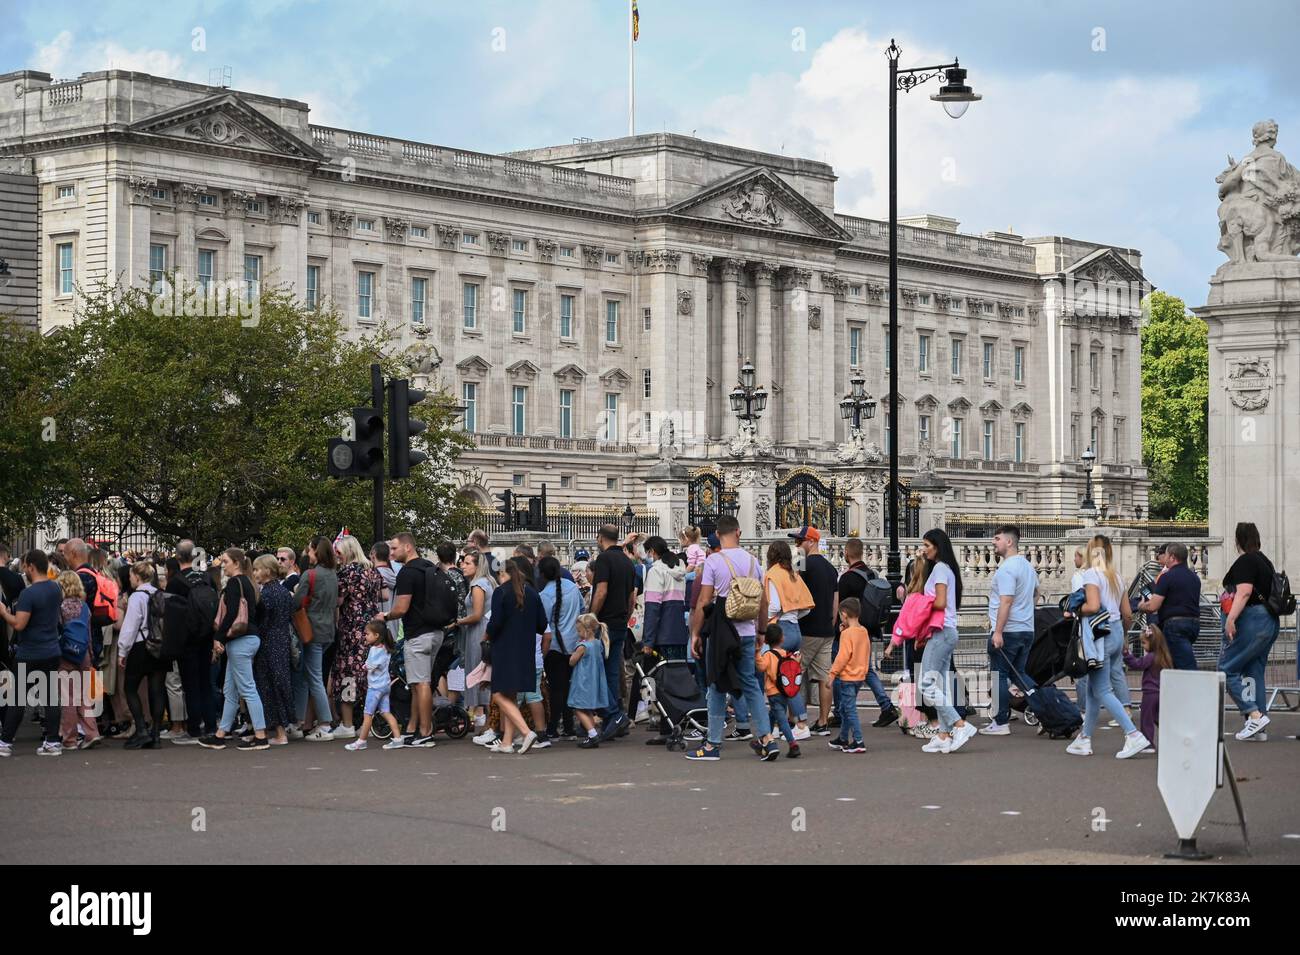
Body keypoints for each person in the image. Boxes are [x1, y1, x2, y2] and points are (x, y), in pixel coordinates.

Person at [686, 514, 779, 762]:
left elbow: (704, 601)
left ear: (717, 535)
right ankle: (767, 738)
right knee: (750, 684)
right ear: (738, 532)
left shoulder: (714, 562)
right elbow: (763, 602)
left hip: (722, 634)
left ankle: (712, 744)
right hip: (748, 632)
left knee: (716, 685)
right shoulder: (753, 562)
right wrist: (761, 632)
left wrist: (696, 633)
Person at [888, 529, 977, 754]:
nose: (923, 549)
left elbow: (939, 602)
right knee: (943, 684)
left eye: (927, 545)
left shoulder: (938, 568)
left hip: (941, 632)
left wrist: (917, 605)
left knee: (926, 683)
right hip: (946, 631)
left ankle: (960, 725)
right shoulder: (946, 569)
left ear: (937, 546)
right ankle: (944, 734)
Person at [1067, 535, 1150, 758]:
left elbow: (1093, 606)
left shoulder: (1091, 574)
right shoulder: (1116, 577)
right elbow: (1127, 613)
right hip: (1115, 632)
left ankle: (1132, 734)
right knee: (1095, 690)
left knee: (1102, 689)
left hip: (1098, 635)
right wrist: (1122, 638)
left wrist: (1076, 609)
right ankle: (1085, 738)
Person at [377, 532, 447, 748]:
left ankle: (425, 731)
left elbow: (401, 607)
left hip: (417, 634)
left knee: (421, 683)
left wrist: (385, 616)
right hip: (437, 631)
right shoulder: (429, 566)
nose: (391, 553)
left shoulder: (407, 573)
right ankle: (412, 728)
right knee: (418, 682)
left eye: (394, 548)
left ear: (408, 547)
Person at [199, 548, 270, 751]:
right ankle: (221, 734)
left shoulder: (233, 583)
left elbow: (230, 614)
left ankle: (260, 735)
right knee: (231, 689)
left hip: (240, 640)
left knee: (247, 688)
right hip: (249, 637)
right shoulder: (249, 583)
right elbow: (261, 610)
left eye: (226, 562)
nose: (223, 565)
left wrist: (218, 637)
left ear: (236, 563)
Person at [0, 550, 66, 756]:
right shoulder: (55, 588)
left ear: (31, 566)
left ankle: (5, 742)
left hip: (29, 652)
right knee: (50, 698)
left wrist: (3, 613)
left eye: (25, 566)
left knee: (18, 699)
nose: (23, 570)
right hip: (51, 650)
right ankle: (53, 741)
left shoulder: (29, 594)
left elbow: (19, 624)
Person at [1219, 522, 1281, 741]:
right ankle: (1258, 725)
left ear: (1238, 540)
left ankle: (1254, 715)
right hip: (1269, 621)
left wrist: (1231, 618)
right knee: (1254, 671)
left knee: (1226, 669)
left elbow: (1243, 592)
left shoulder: (1246, 561)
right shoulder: (1265, 561)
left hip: (1252, 620)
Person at [484, 557, 549, 753]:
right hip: (526, 648)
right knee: (510, 694)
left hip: (504, 649)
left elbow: (494, 624)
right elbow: (541, 624)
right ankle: (507, 742)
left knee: (498, 693)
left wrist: (487, 636)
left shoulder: (501, 592)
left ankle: (526, 731)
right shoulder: (532, 593)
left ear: (503, 573)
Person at [982, 524, 1041, 736]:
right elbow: (1036, 593)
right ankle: (1045, 707)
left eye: (997, 538)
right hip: (1026, 628)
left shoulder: (1007, 569)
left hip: (1008, 631)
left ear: (1009, 541)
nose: (993, 542)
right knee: (1020, 674)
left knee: (999, 674)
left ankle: (1000, 722)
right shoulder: (1027, 566)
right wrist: (1026, 611)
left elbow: (1005, 601)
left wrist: (998, 631)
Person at [331, 536, 383, 739]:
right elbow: (382, 595)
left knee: (348, 674)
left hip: (352, 627)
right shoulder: (372, 570)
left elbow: (339, 599)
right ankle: (370, 722)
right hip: (371, 625)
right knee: (371, 673)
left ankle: (347, 723)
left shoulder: (347, 572)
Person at [589, 524, 637, 741]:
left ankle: (614, 714)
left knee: (596, 671)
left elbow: (601, 591)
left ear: (600, 538)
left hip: (604, 623)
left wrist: (591, 617)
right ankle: (614, 719)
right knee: (612, 673)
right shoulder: (628, 561)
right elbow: (631, 597)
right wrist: (626, 617)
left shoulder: (604, 560)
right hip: (620, 622)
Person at [762, 541, 813, 740]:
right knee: (787, 679)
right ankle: (776, 723)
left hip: (780, 629)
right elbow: (806, 607)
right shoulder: (794, 574)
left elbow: (773, 606)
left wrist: (765, 620)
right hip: (795, 629)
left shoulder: (772, 574)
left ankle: (800, 723)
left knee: (781, 682)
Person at [168, 540, 217, 744]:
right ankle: (212, 724)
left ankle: (194, 727)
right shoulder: (207, 578)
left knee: (190, 683)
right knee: (206, 682)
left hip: (186, 638)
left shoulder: (176, 582)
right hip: (207, 635)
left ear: (178, 557)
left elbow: (170, 614)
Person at [791, 526, 838, 736]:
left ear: (811, 541)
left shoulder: (805, 564)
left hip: (807, 628)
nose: (797, 545)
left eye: (800, 542)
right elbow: (835, 603)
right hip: (826, 629)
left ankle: (796, 719)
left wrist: (798, 556)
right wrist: (831, 622)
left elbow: (793, 581)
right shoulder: (830, 568)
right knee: (824, 677)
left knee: (796, 674)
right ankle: (822, 721)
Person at [116, 561, 168, 750]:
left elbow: (130, 626)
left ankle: (141, 729)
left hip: (140, 645)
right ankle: (156, 733)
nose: (130, 579)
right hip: (159, 646)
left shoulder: (137, 596)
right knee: (157, 689)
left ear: (137, 577)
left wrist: (123, 651)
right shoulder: (158, 593)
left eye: (131, 575)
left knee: (130, 688)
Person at [292, 537, 339, 741]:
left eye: (309, 551)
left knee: (313, 677)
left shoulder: (310, 575)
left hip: (310, 629)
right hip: (328, 629)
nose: (307, 554)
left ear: (316, 552)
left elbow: (296, 603)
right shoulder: (332, 575)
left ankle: (324, 723)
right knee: (308, 675)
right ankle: (300, 720)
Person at [251, 554, 296, 745]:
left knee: (268, 685)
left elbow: (262, 621)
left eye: (256, 569)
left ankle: (279, 732)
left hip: (268, 642)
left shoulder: (266, 594)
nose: (254, 573)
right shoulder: (284, 591)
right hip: (283, 640)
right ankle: (284, 727)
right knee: (281, 683)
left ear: (267, 571)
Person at [1137, 542, 1201, 671]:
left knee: (1185, 667)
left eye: (1166, 554)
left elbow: (1153, 606)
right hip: (1194, 624)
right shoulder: (1195, 578)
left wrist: (1141, 606)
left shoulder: (1167, 577)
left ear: (1172, 557)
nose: (1164, 558)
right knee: (1178, 661)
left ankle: (1195, 689)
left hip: (1175, 625)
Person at [55, 570, 100, 750]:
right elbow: (88, 634)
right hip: (84, 654)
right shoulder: (84, 607)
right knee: (83, 697)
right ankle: (92, 733)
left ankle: (70, 738)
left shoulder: (60, 607)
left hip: (65, 654)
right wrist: (90, 653)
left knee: (68, 698)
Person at [538, 555, 581, 741]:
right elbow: (582, 607)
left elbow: (543, 624)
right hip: (573, 644)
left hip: (554, 646)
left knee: (556, 688)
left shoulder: (545, 595)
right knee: (569, 686)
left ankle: (553, 727)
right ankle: (570, 727)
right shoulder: (572, 587)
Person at [344, 621, 404, 751]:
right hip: (385, 686)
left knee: (368, 714)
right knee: (386, 712)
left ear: (376, 635)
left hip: (375, 688)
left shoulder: (374, 650)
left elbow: (371, 665)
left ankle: (361, 741)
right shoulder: (386, 648)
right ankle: (398, 738)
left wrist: (364, 666)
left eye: (367, 634)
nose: (365, 636)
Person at [459, 551, 497, 742]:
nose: (463, 566)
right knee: (485, 675)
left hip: (478, 633)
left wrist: (457, 622)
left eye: (467, 563)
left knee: (481, 676)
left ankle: (490, 725)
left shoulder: (477, 585)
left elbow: (477, 614)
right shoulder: (487, 582)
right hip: (482, 631)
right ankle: (489, 723)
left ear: (477, 565)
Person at [827, 598, 871, 754]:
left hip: (847, 676)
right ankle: (843, 737)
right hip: (860, 675)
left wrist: (832, 674)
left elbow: (842, 656)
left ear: (844, 614)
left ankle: (858, 740)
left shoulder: (847, 634)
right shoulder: (863, 631)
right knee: (846, 708)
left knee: (849, 709)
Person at [756, 623, 802, 758]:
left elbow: (761, 667)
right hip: (785, 692)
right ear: (782, 638)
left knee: (781, 719)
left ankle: (792, 744)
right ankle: (765, 738)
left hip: (773, 692)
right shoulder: (786, 654)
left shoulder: (768, 655)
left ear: (766, 641)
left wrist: (757, 653)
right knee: (773, 715)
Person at [1125, 623, 1171, 752]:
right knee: (1157, 717)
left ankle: (1148, 743)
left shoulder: (1151, 657)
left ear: (1153, 643)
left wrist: (1126, 654)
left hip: (1150, 693)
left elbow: (1137, 664)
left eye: (1144, 643)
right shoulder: (1164, 657)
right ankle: (1173, 738)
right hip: (1161, 693)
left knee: (1146, 718)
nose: (1143, 647)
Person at [568, 613, 612, 748]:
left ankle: (592, 734)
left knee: (578, 708)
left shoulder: (583, 646)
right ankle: (592, 734)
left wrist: (574, 652)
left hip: (583, 682)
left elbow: (572, 661)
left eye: (579, 631)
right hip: (593, 682)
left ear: (587, 631)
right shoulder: (598, 643)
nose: (578, 633)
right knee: (587, 710)